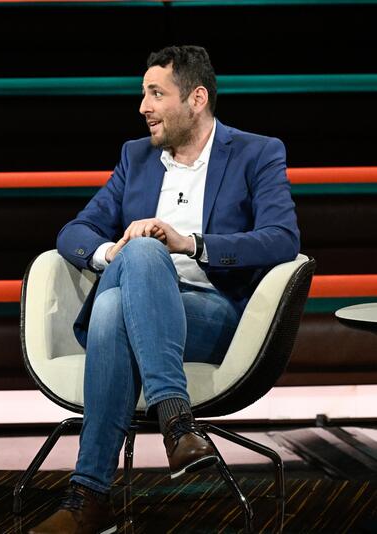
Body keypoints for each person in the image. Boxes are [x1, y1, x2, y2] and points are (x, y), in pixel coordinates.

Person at [31, 45, 299, 534]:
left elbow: (283, 238)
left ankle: (89, 500)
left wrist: (191, 244)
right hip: (142, 293)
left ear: (196, 99)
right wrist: (113, 253)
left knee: (112, 310)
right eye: (142, 94)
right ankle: (176, 424)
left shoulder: (257, 152)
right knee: (141, 252)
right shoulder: (135, 157)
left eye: (156, 93)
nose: (143, 107)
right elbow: (74, 232)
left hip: (210, 314)